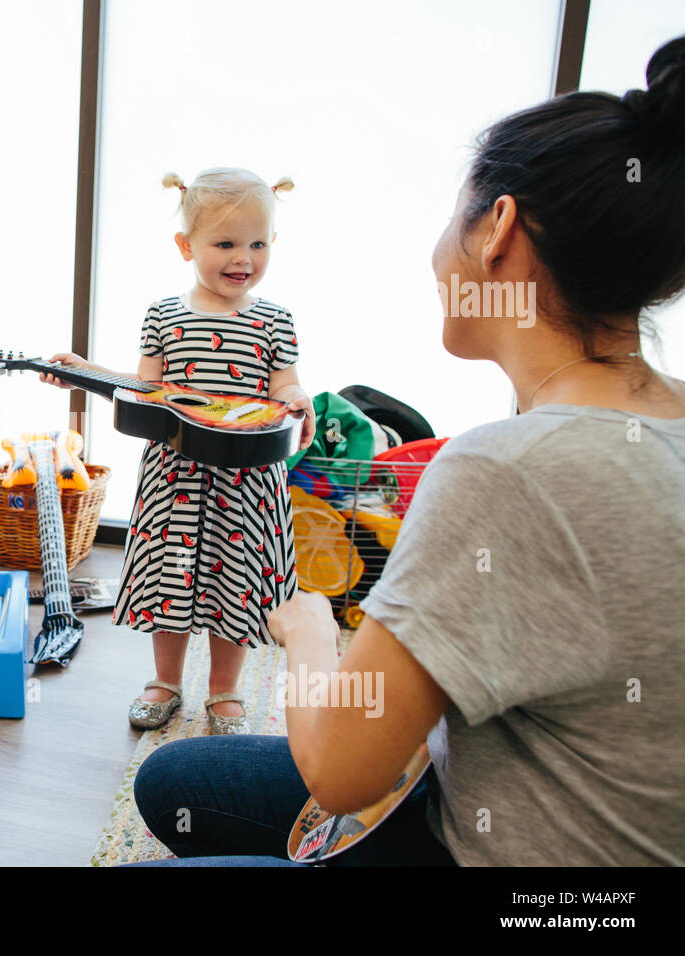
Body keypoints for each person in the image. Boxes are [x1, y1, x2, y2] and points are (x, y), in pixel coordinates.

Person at [133, 36, 685, 866]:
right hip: (516, 804)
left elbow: (338, 771)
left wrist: (312, 628)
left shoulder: (505, 468)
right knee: (173, 781)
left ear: (497, 228)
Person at [43, 167, 316, 733]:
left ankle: (224, 689)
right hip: (177, 474)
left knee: (233, 583)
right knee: (173, 576)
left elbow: (283, 383)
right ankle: (164, 681)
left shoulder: (275, 320)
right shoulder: (164, 315)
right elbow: (147, 386)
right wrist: (86, 372)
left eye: (258, 243)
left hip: (246, 480)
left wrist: (296, 399)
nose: (244, 257)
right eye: (225, 243)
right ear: (186, 246)